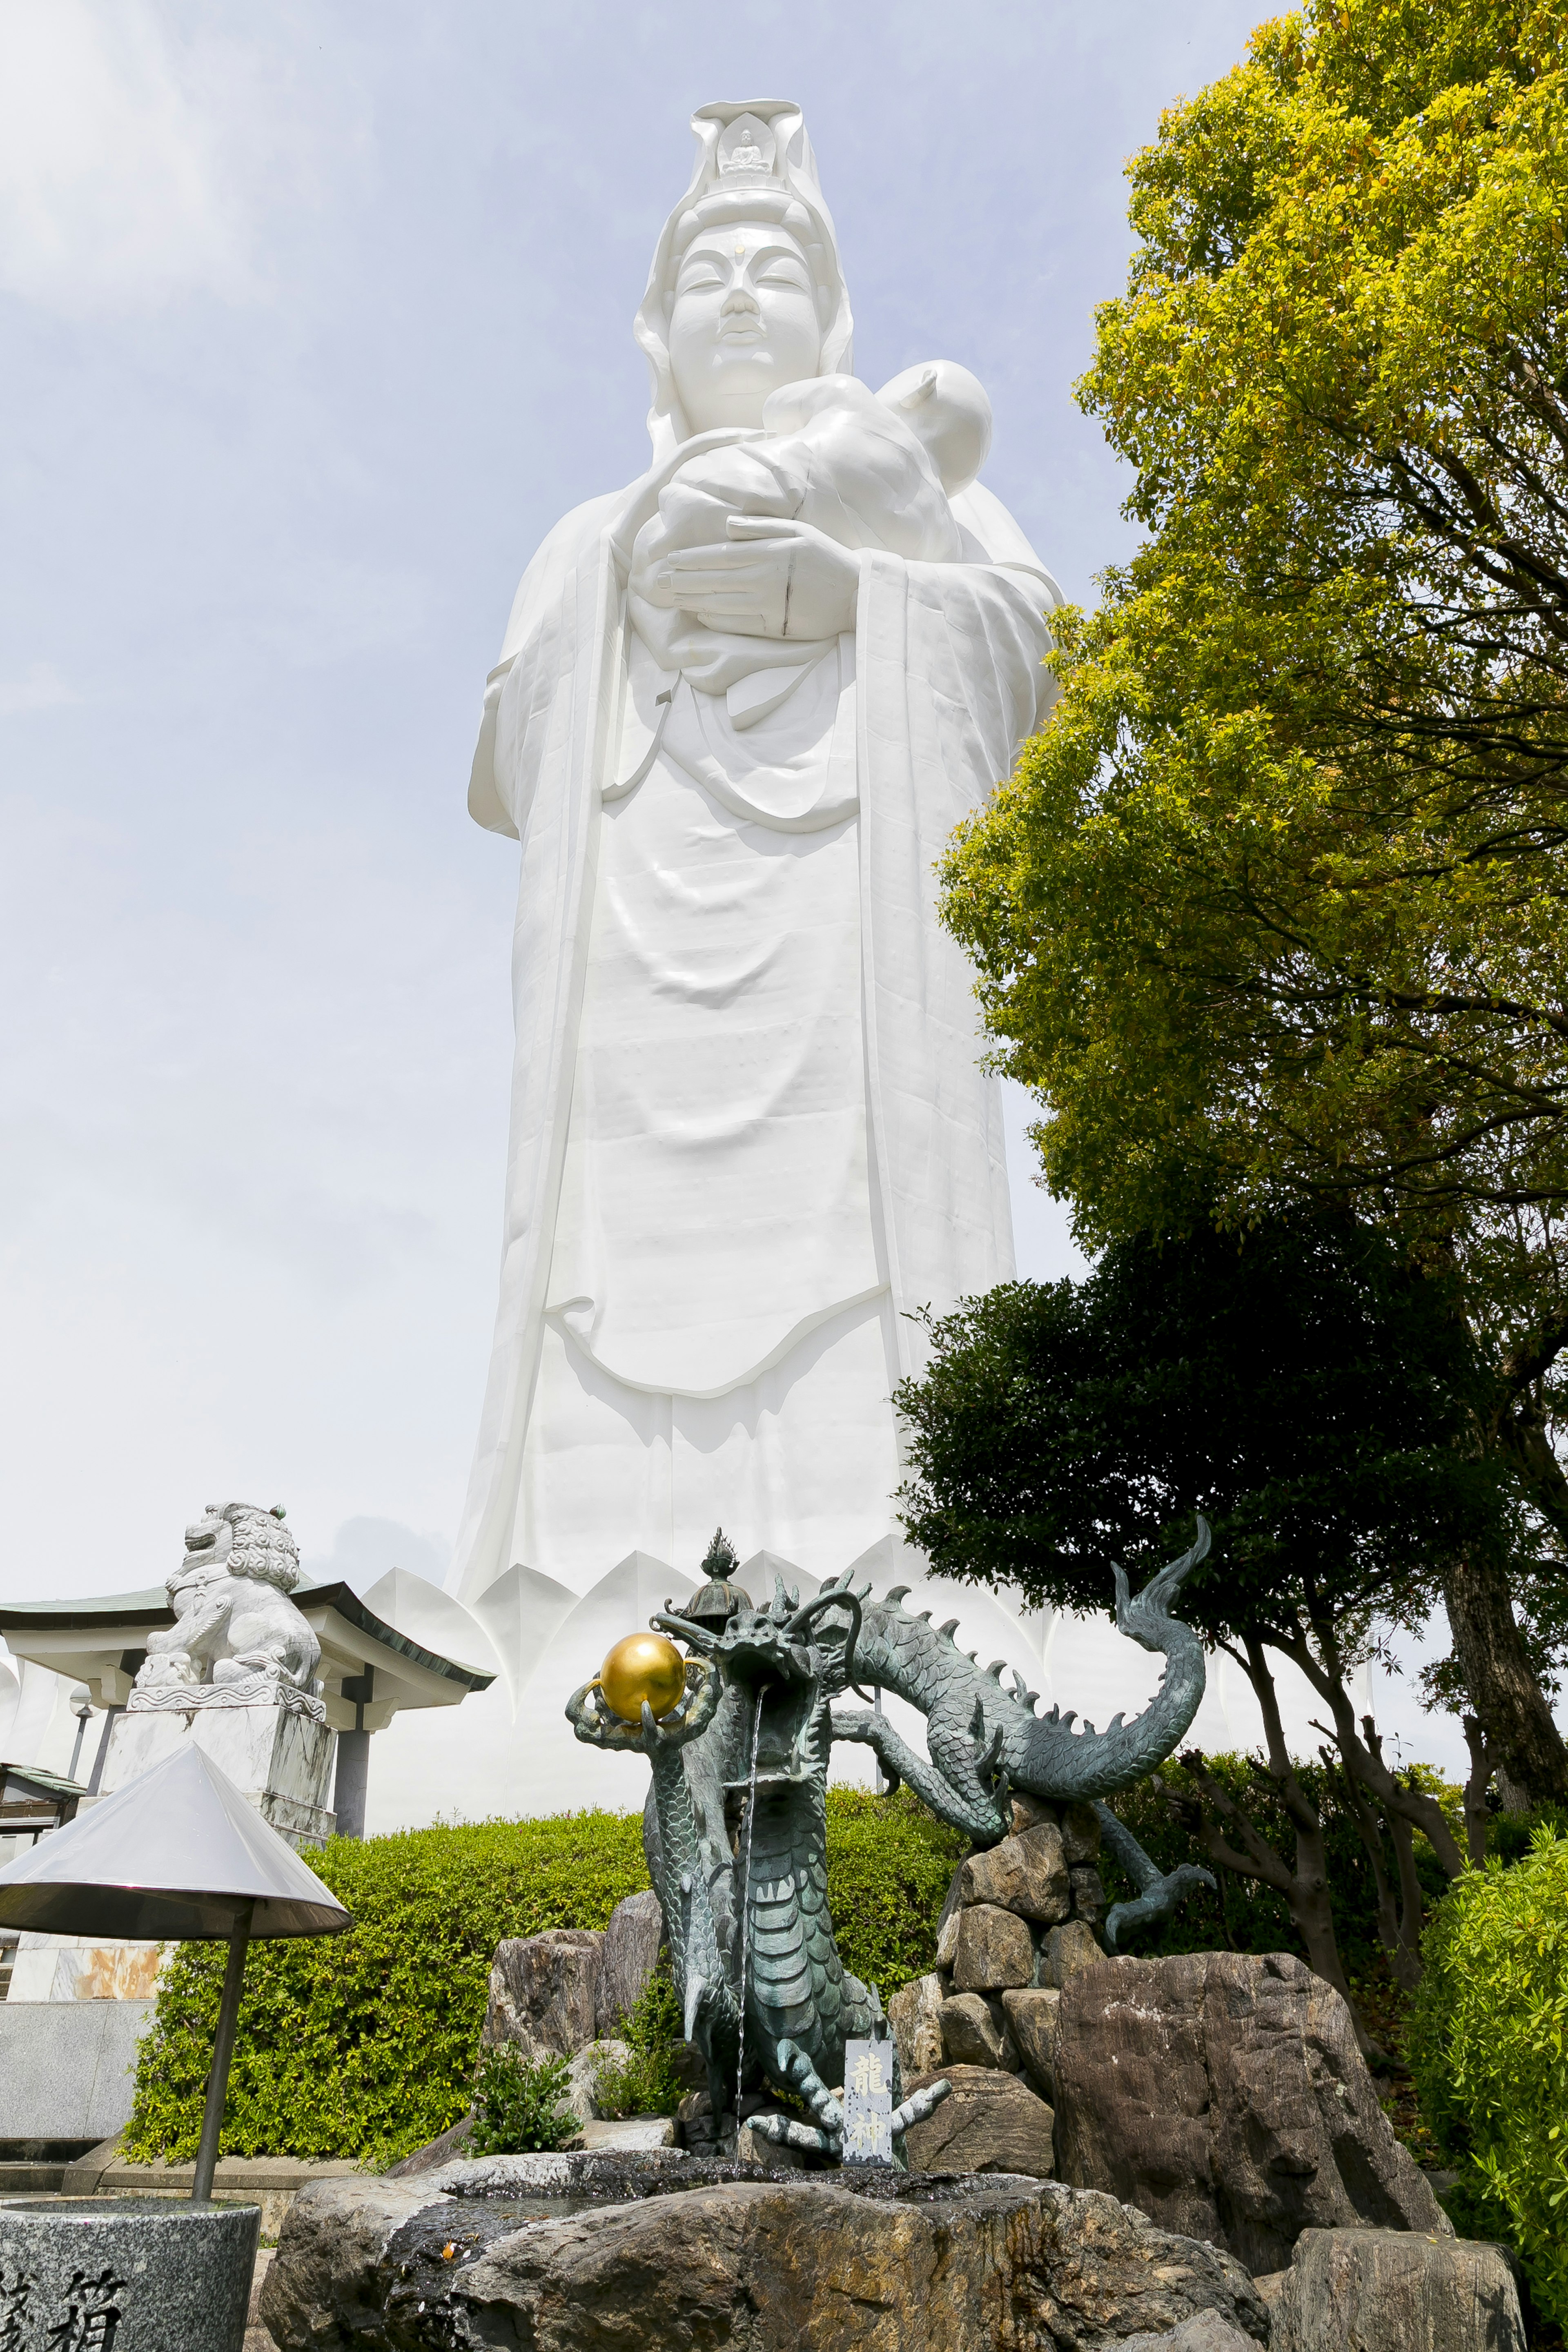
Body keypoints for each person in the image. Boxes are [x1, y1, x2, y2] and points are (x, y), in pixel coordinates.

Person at [454, 100, 1061, 1666]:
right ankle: (574, 1598)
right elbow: (504, 762)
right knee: (606, 1275)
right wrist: (637, 569)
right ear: (657, 330)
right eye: (707, 266)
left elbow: (1029, 657)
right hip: (634, 964)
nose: (738, 289)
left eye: (773, 265)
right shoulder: (580, 536)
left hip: (847, 945)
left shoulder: (916, 492)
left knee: (865, 1272)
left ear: (832, 317)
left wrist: (846, 580)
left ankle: (920, 1582)